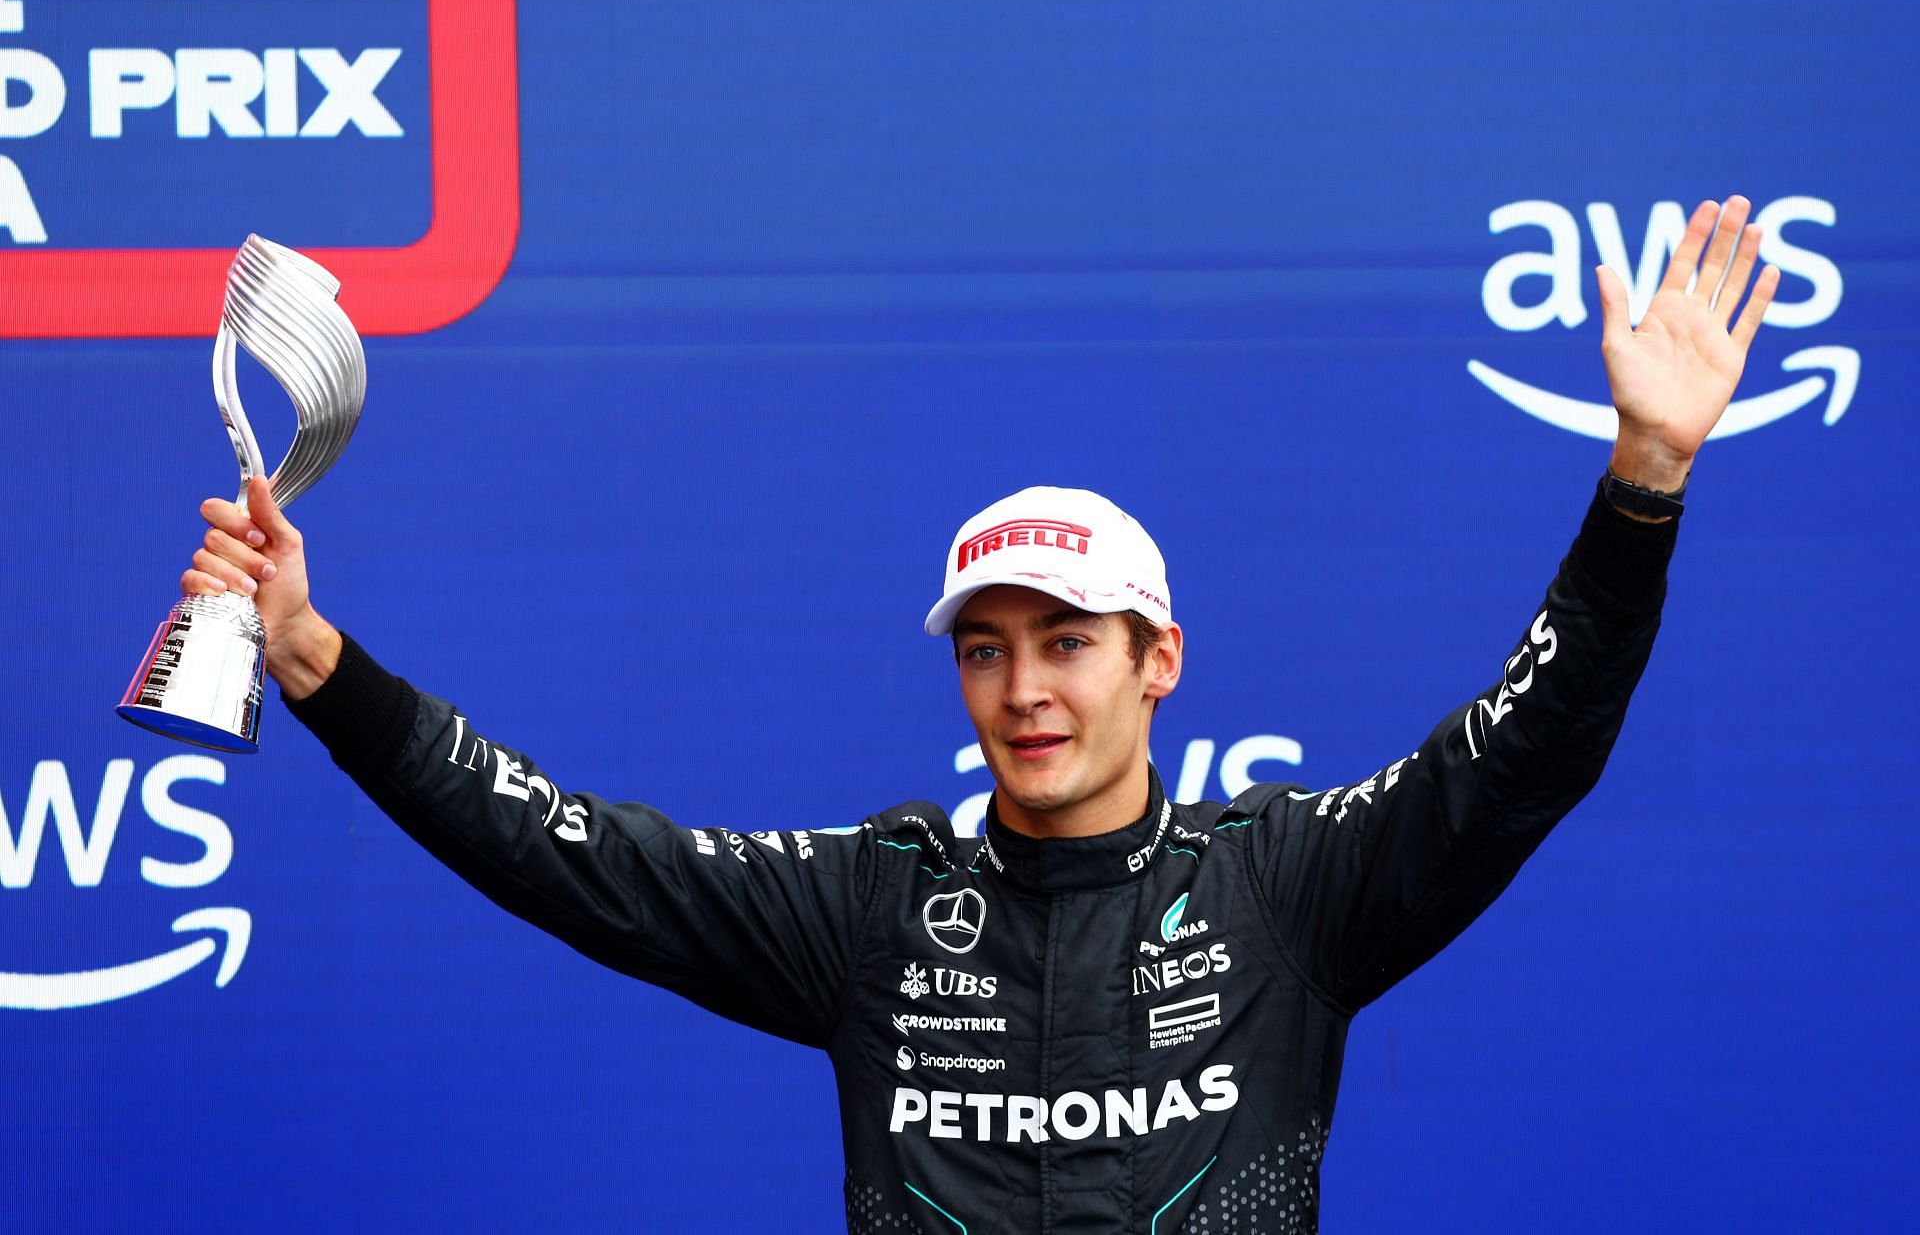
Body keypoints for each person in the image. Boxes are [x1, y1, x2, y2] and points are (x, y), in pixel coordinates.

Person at [183, 198, 1778, 1232]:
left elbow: (1530, 748)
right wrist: (318, 661)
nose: (1024, 691)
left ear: (1159, 661)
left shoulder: (1287, 886)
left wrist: (1646, 479)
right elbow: (565, 851)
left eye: (1069, 643)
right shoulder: (873, 909)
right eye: (988, 649)